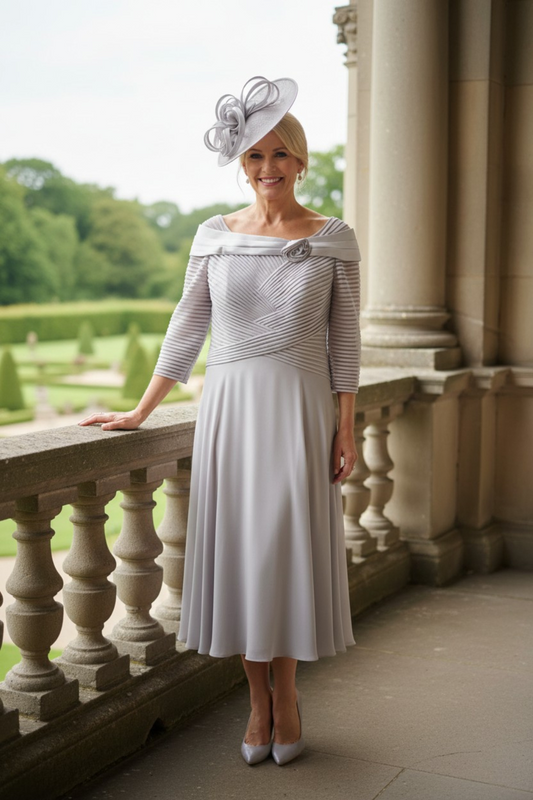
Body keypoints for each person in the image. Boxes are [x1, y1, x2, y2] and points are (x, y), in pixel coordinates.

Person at [79, 76, 361, 767]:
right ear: (242, 163)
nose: (267, 168)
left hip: (299, 415)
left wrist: (345, 427)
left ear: (300, 160)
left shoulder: (334, 238)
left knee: (283, 554)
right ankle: (257, 703)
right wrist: (141, 410)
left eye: (279, 154)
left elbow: (345, 341)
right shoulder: (213, 234)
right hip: (231, 415)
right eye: (254, 156)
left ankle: (287, 696)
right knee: (241, 554)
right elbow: (188, 324)